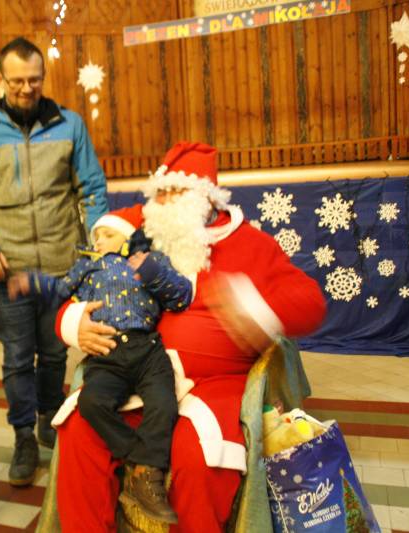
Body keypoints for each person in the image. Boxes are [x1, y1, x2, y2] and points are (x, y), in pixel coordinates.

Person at [52, 142, 327, 532]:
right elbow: (81, 280)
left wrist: (247, 305)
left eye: (175, 192)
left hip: (213, 384)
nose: (162, 202)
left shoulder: (250, 244)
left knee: (197, 457)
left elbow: (310, 303)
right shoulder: (141, 231)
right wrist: (75, 319)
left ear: (205, 199)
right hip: (133, 370)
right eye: (158, 193)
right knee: (80, 427)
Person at [0, 36, 109, 486]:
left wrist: (99, 241)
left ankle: (48, 418)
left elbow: (92, 189)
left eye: (34, 80)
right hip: (10, 271)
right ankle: (23, 435)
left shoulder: (70, 125)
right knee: (19, 358)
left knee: (56, 351)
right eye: (17, 81)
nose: (26, 89)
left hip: (61, 266)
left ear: (43, 77)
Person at [9, 206, 192, 523]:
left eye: (108, 234)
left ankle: (147, 471)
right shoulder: (88, 265)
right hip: (107, 354)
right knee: (92, 403)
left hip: (147, 348)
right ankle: (138, 458)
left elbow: (181, 295)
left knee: (164, 401)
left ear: (128, 237)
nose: (99, 240)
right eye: (96, 236)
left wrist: (152, 271)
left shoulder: (151, 260)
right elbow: (60, 289)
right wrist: (34, 283)